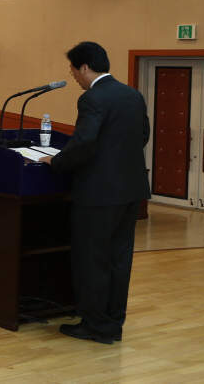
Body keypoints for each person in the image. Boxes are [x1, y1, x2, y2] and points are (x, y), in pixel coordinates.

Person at [38, 41, 150, 345]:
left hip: (99, 194)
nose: (73, 75)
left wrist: (56, 161)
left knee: (92, 259)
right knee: (118, 260)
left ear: (85, 67)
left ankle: (95, 325)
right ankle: (113, 323)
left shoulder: (92, 98)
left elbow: (84, 142)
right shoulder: (132, 94)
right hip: (130, 191)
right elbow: (142, 135)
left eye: (73, 69)